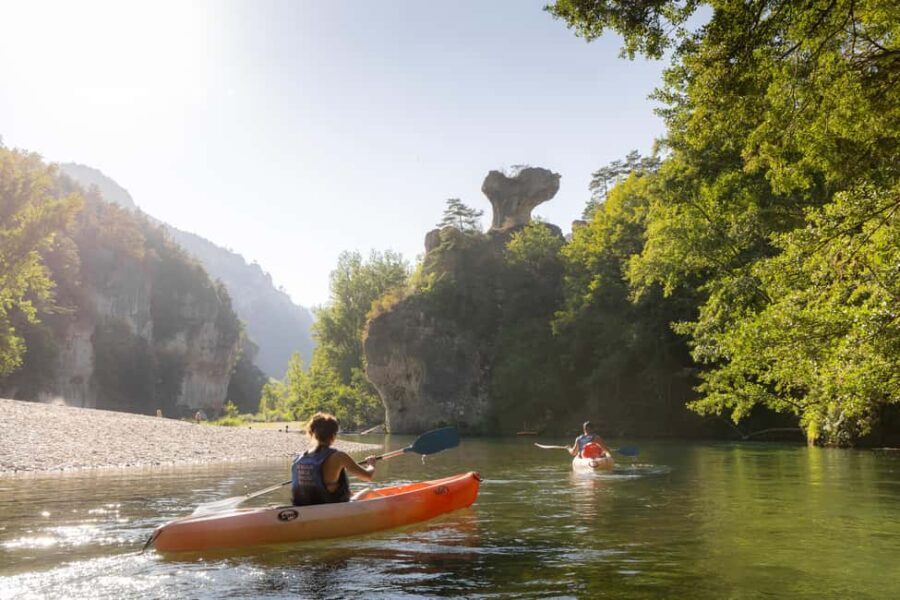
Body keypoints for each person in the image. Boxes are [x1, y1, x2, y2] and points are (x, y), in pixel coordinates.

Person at [291, 412, 377, 506]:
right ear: (333, 435)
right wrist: (371, 464)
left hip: (302, 508)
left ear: (312, 433)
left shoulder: (298, 458)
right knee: (369, 492)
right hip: (330, 509)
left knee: (350, 493)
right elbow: (368, 476)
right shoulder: (339, 456)